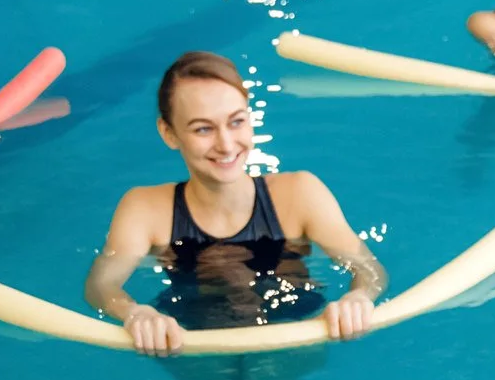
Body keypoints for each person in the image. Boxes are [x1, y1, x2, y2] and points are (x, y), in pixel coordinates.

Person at [85, 50, 385, 355]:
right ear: (169, 133)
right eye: (203, 128)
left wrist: (358, 297)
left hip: (295, 326)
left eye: (236, 122)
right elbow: (102, 286)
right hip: (191, 337)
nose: (226, 144)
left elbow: (368, 269)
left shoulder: (299, 194)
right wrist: (136, 313)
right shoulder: (145, 209)